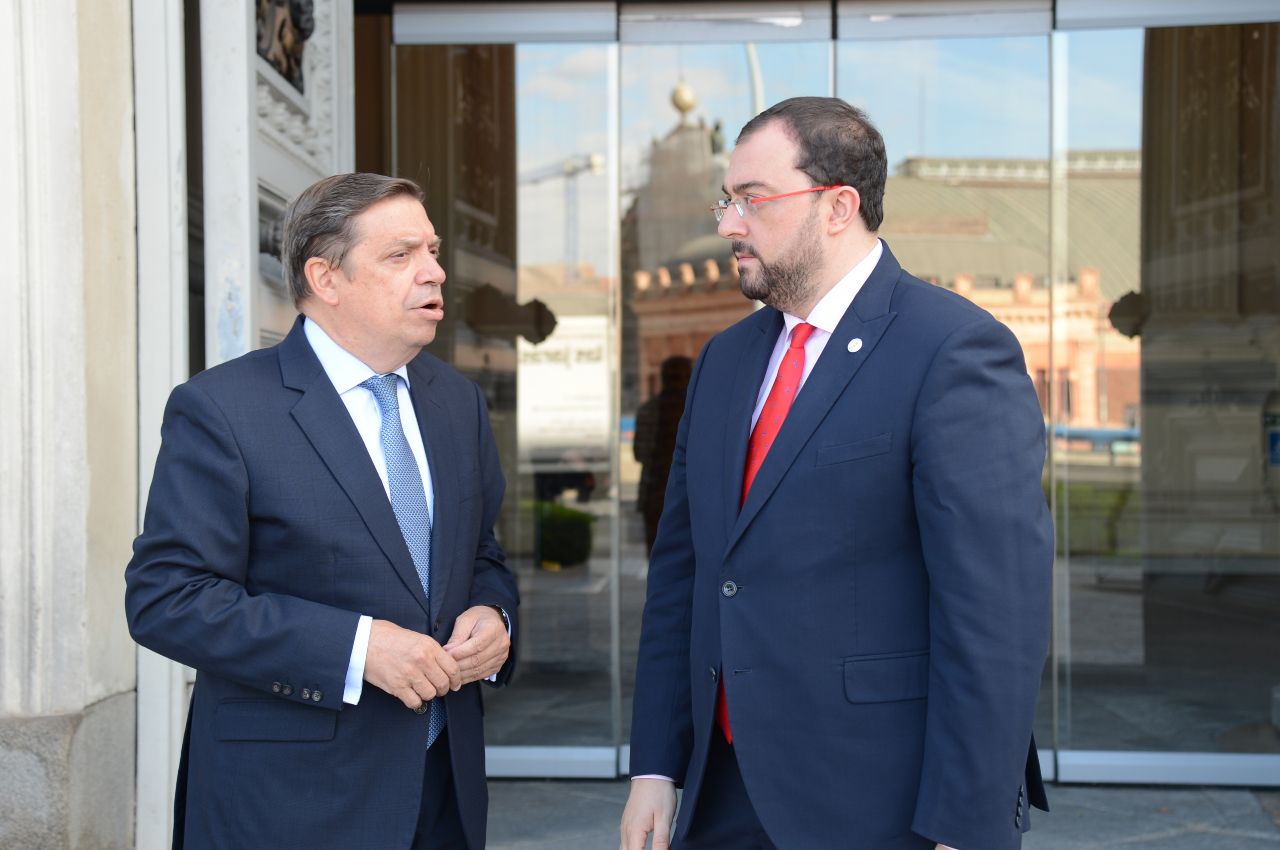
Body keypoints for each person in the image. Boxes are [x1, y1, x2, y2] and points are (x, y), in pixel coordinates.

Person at [620, 97, 1052, 850]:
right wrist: (655, 765)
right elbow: (685, 577)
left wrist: (968, 824)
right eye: (725, 200)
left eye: (751, 200)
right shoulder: (726, 361)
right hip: (721, 793)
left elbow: (994, 616)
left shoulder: (954, 350)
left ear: (837, 206)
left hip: (880, 801)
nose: (729, 224)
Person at [126, 173, 518, 850]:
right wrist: (359, 649)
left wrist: (493, 614)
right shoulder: (223, 409)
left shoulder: (455, 401)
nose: (435, 271)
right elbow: (167, 598)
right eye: (401, 256)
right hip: (289, 801)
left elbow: (480, 553)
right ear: (325, 278)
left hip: (442, 792)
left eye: (431, 250)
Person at [633, 356, 693, 555]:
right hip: (685, 492)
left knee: (658, 557)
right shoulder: (697, 409)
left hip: (655, 491)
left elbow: (640, 453)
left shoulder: (648, 409)